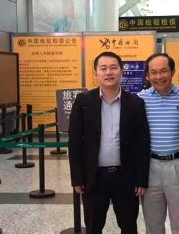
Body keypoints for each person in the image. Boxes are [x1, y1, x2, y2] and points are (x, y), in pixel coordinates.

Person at [69, 51, 150, 234]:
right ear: (96, 72)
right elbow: (74, 143)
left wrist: (141, 179)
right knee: (93, 226)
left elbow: (142, 144)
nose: (108, 72)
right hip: (94, 177)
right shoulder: (84, 101)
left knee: (129, 226)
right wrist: (77, 178)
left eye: (113, 68)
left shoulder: (135, 103)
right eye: (103, 68)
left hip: (125, 177)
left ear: (121, 71)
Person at [138, 53, 179, 234]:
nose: (158, 77)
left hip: (177, 165)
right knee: (153, 223)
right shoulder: (140, 99)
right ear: (147, 76)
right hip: (150, 166)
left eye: (163, 71)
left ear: (172, 72)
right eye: (153, 72)